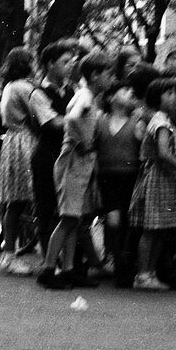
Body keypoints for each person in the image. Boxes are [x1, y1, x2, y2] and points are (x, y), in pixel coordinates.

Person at [38, 53, 110, 290]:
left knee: (74, 219)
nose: (110, 79)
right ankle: (48, 269)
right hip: (73, 162)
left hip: (81, 164)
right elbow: (71, 118)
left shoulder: (86, 95)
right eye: (107, 74)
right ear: (95, 75)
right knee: (68, 218)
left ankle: (68, 270)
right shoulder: (86, 96)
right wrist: (79, 141)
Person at [128, 78, 176, 291]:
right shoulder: (160, 122)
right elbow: (163, 152)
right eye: (169, 94)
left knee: (160, 228)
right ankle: (143, 273)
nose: (174, 98)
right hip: (157, 176)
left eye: (175, 94)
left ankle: (150, 272)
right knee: (152, 228)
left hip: (164, 178)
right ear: (157, 97)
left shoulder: (164, 119)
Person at [29, 41, 77, 269]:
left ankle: (68, 263)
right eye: (65, 62)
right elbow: (53, 122)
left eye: (71, 62)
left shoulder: (71, 90)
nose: (70, 66)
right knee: (47, 208)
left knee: (67, 210)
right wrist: (79, 120)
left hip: (68, 155)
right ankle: (50, 262)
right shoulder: (38, 93)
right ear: (50, 64)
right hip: (47, 155)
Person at [0, 47, 40, 275]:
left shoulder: (9, 86)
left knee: (15, 200)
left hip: (12, 141)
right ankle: (11, 254)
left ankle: (8, 253)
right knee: (23, 198)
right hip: (25, 140)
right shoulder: (24, 87)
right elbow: (37, 116)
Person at [92, 77, 142, 286]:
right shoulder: (100, 120)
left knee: (130, 221)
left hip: (130, 176)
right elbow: (94, 150)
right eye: (124, 90)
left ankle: (125, 266)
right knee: (113, 221)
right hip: (108, 177)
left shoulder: (136, 121)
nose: (129, 92)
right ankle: (115, 258)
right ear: (111, 97)